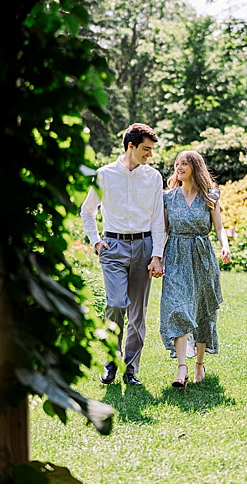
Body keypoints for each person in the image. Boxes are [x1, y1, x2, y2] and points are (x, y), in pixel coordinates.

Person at [81, 124, 167, 387]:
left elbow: (157, 221)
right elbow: (87, 211)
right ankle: (111, 361)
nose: (149, 155)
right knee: (117, 304)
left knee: (137, 313)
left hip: (143, 247)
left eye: (151, 150)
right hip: (113, 247)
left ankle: (131, 370)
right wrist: (96, 241)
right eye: (146, 149)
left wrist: (157, 255)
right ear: (131, 146)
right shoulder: (104, 175)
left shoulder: (153, 177)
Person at [160, 150, 228, 388]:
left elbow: (219, 228)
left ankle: (199, 364)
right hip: (177, 255)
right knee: (177, 307)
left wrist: (225, 246)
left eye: (184, 164)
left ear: (195, 168)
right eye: (177, 164)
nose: (179, 167)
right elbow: (164, 231)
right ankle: (181, 369)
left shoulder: (210, 196)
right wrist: (157, 257)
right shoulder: (169, 197)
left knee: (202, 311)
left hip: (202, 256)